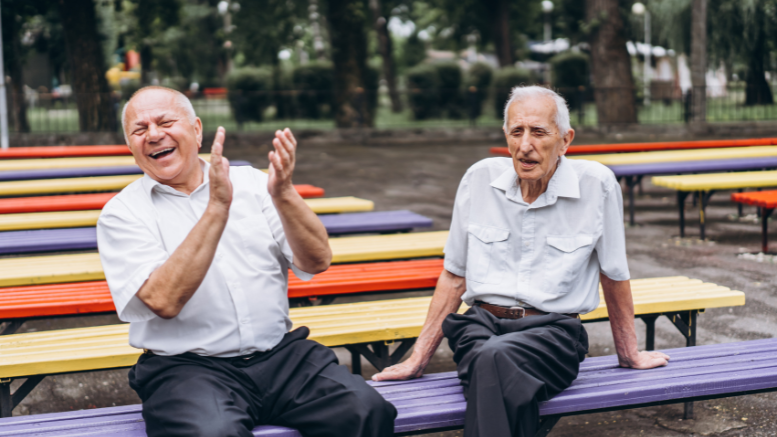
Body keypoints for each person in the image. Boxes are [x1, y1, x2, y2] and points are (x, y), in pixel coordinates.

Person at [97, 86, 396, 437]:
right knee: (214, 433)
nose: (153, 135)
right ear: (130, 146)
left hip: (281, 357)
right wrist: (217, 208)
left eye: (165, 122)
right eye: (140, 129)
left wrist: (284, 194)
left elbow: (317, 260)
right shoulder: (123, 212)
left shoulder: (254, 183)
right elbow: (163, 301)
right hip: (186, 368)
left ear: (196, 129)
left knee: (366, 411)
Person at [372, 86, 670, 437]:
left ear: (565, 140)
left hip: (553, 334)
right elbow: (454, 277)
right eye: (517, 131)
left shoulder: (596, 184)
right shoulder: (479, 178)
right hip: (480, 327)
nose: (525, 145)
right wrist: (417, 359)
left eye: (539, 132)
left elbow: (614, 274)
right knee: (494, 362)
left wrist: (629, 354)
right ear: (506, 136)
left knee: (492, 361)